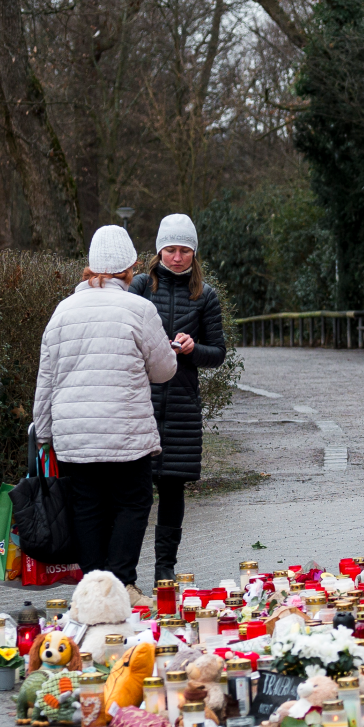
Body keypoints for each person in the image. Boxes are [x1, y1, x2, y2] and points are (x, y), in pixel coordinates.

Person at [34, 225, 176, 604]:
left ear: (90, 267)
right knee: (133, 502)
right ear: (130, 267)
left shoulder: (63, 311)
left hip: (75, 436)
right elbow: (164, 370)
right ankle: (122, 583)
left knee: (87, 507)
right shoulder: (139, 309)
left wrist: (44, 433)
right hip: (125, 432)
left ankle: (94, 588)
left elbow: (45, 379)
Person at [130, 213, 226, 583]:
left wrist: (192, 348)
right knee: (136, 492)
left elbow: (217, 353)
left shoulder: (205, 295)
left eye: (184, 250)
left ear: (194, 253)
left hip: (183, 405)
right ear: (158, 251)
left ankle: (164, 569)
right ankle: (125, 571)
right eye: (170, 249)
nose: (176, 257)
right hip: (141, 403)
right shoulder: (140, 287)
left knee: (172, 489)